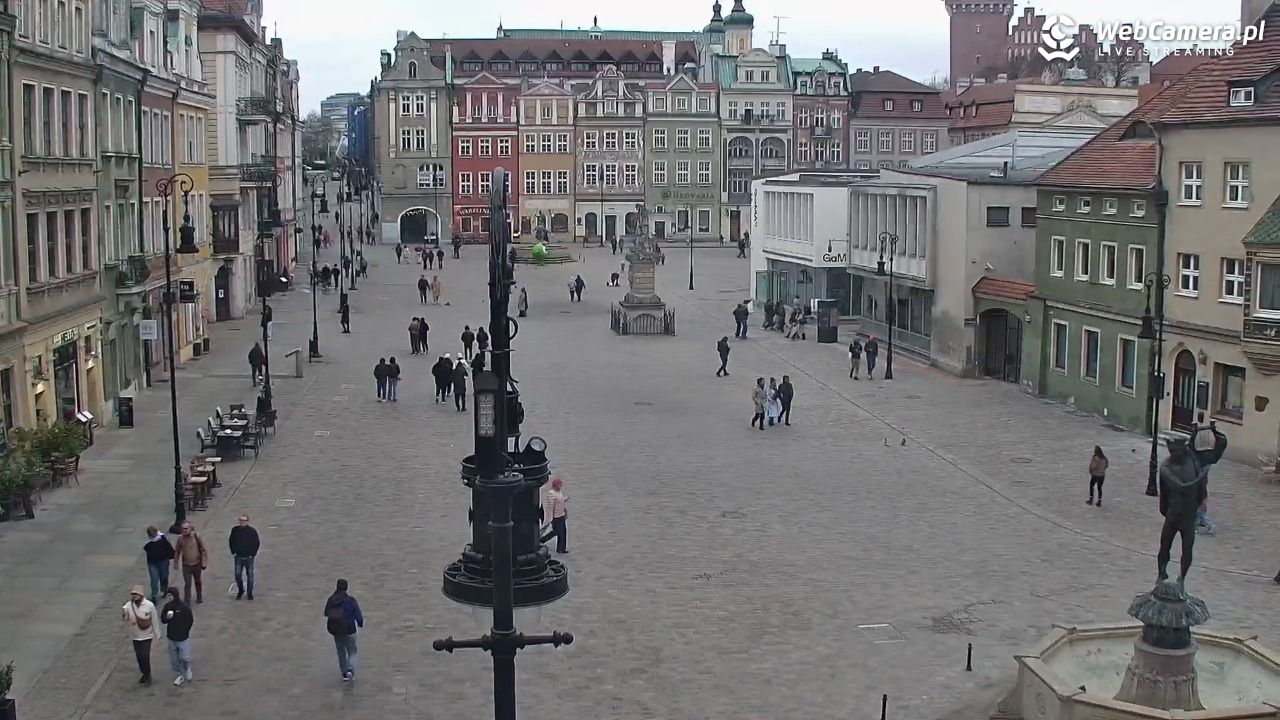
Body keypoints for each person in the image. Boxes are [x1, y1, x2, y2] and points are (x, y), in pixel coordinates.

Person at [324, 579, 364, 682]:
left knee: (341, 651)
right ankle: (351, 669)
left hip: (336, 630)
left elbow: (326, 613)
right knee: (352, 651)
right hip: (350, 629)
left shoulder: (331, 600)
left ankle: (344, 673)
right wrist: (360, 622)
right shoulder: (350, 600)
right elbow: (357, 613)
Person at [123, 585, 159, 684]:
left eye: (136, 594)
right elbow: (126, 619)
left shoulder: (149, 605)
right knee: (139, 656)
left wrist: (157, 633)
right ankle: (144, 672)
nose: (134, 596)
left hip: (147, 635)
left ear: (141, 595)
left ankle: (147, 674)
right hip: (135, 635)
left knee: (145, 656)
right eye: (133, 594)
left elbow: (154, 619)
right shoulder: (128, 605)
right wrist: (124, 613)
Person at [160, 587, 194, 686]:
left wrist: (186, 630)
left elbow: (190, 619)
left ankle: (187, 668)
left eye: (170, 595)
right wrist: (167, 618)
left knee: (185, 657)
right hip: (172, 637)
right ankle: (179, 675)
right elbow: (163, 619)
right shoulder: (167, 606)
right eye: (168, 596)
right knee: (174, 659)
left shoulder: (184, 607)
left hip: (183, 638)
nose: (169, 597)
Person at [173, 522, 207, 605]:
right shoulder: (180, 539)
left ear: (190, 528)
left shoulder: (196, 536)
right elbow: (177, 551)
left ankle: (199, 596)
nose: (184, 530)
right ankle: (187, 600)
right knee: (187, 583)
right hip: (186, 565)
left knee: (198, 581)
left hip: (197, 564)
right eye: (183, 529)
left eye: (186, 528)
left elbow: (203, 549)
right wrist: (176, 563)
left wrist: (204, 562)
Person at [228, 514, 260, 600]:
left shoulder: (252, 531)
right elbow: (231, 541)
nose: (242, 522)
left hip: (249, 557)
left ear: (247, 521)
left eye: (244, 520)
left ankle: (249, 593)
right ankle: (241, 590)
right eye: (241, 520)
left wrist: (252, 554)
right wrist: (233, 551)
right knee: (237, 574)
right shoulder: (235, 530)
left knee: (250, 576)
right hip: (238, 557)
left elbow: (256, 543)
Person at [143, 526, 175, 603]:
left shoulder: (162, 539)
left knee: (164, 576)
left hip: (163, 561)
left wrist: (171, 556)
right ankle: (154, 595)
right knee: (154, 579)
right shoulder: (149, 543)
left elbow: (168, 547)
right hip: (152, 563)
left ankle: (164, 589)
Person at [545, 478, 568, 554]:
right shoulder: (551, 494)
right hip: (556, 517)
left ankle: (562, 548)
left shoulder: (559, 492)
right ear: (555, 485)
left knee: (563, 532)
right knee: (559, 532)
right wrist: (550, 519)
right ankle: (559, 549)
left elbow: (560, 501)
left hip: (562, 516)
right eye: (559, 484)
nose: (561, 486)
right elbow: (550, 507)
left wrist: (565, 499)